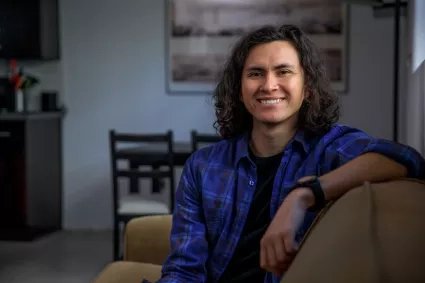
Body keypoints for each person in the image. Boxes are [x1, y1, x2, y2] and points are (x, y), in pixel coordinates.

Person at [157, 24, 425, 283]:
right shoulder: (202, 167)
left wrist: (304, 195)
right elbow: (184, 270)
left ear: (307, 88)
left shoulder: (329, 149)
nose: (269, 85)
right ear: (239, 90)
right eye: (255, 73)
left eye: (283, 71)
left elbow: (405, 158)